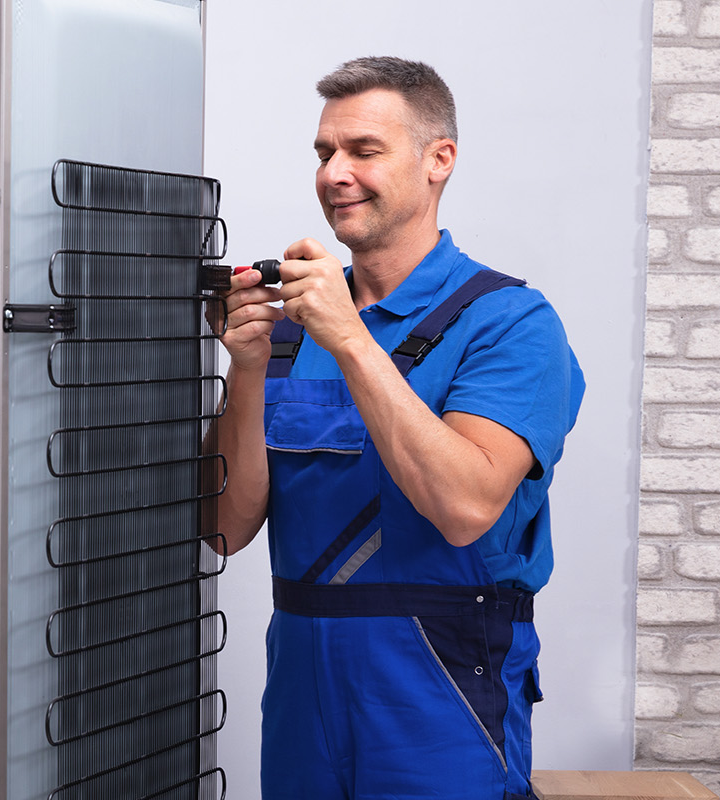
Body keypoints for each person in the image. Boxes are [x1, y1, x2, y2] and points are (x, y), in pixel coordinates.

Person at [211, 57, 585, 799]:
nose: (334, 174)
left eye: (364, 151)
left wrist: (349, 337)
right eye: (324, 153)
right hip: (302, 690)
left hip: (441, 690)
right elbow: (223, 529)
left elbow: (466, 506)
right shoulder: (290, 330)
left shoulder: (509, 325)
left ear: (438, 159)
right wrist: (247, 369)